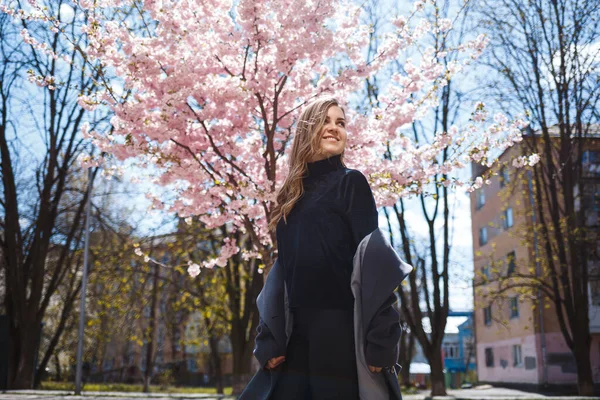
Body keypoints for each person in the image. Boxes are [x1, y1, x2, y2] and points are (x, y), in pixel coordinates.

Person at [240, 97, 406, 400]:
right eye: (325, 121)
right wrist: (269, 338)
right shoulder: (289, 197)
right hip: (294, 336)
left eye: (340, 123)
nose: (334, 128)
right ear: (307, 129)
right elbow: (283, 273)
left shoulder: (351, 183)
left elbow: (373, 263)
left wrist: (382, 340)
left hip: (340, 331)